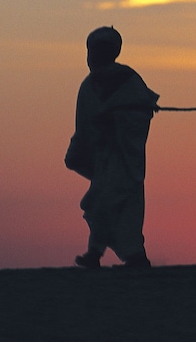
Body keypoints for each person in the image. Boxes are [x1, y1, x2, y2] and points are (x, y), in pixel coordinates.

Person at [65, 26, 159, 269]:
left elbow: (140, 116)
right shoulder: (89, 86)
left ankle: (131, 257)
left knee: (113, 205)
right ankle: (97, 254)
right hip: (103, 158)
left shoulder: (127, 80)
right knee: (100, 204)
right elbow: (83, 124)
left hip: (123, 160)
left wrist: (117, 122)